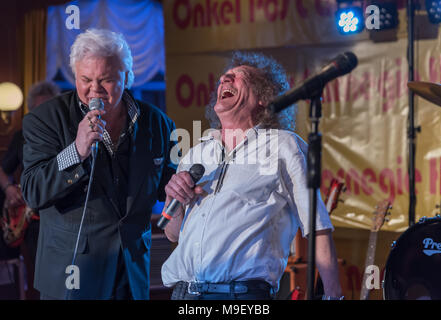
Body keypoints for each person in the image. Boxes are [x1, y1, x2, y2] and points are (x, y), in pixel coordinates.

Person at [161, 51, 343, 300]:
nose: (225, 79)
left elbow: (317, 225)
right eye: (224, 78)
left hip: (240, 296)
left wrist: (334, 296)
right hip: (183, 293)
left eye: (238, 77)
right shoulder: (196, 153)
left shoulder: (283, 146)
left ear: (263, 98)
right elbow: (173, 233)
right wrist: (176, 201)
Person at [20, 29, 177, 300]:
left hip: (131, 272)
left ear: (127, 77)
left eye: (105, 79)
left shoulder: (159, 123)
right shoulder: (44, 119)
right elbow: (33, 191)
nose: (94, 89)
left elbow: (170, 185)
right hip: (72, 274)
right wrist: (77, 150)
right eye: (85, 79)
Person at [0, 81, 60, 300]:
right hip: (34, 220)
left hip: (64, 216)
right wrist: (8, 189)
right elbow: (3, 169)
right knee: (41, 277)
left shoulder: (66, 135)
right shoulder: (22, 135)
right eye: (38, 110)